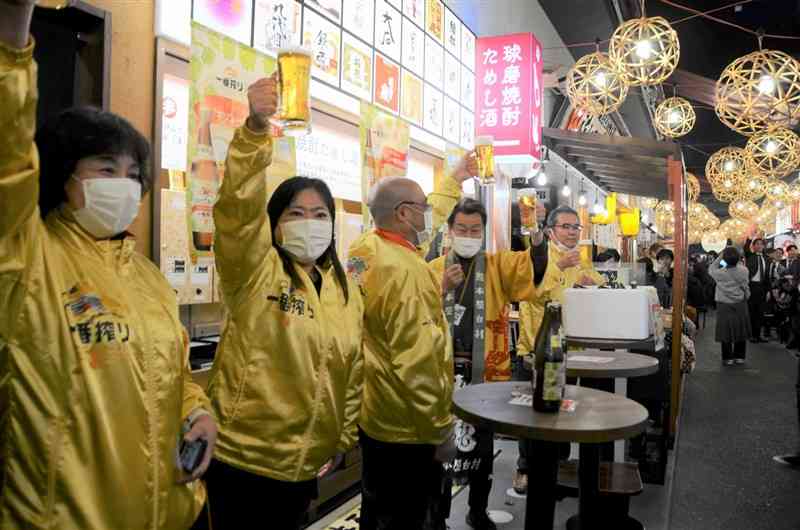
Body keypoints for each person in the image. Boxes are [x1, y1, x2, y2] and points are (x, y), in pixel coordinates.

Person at [0, 3, 217, 527]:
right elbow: (7, 158)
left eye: (133, 173)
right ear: (63, 177)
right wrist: (12, 32)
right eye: (105, 167)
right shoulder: (26, 256)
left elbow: (172, 372)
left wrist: (199, 411)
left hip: (168, 512)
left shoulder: (144, 275)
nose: (125, 183)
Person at [204, 77, 364, 529]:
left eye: (320, 215)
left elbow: (351, 371)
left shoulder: (343, 288)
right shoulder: (254, 270)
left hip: (306, 463)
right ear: (273, 225)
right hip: (242, 461)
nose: (308, 223)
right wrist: (255, 129)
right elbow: (236, 209)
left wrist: (342, 436)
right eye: (295, 213)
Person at [427, 198, 547, 529]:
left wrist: (536, 235)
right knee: (439, 447)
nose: (468, 234)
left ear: (483, 232)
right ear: (450, 231)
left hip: (485, 371)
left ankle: (477, 510)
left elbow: (533, 266)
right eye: (462, 228)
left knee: (482, 442)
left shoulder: (497, 265)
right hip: (440, 372)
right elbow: (416, 314)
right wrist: (440, 289)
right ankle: (437, 514)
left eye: (475, 229)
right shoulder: (433, 268)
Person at [348, 177, 455, 529]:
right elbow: (418, 362)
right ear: (405, 214)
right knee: (409, 515)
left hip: (374, 411)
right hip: (408, 424)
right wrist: (439, 431)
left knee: (376, 508)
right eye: (423, 209)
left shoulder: (363, 250)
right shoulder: (409, 273)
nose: (429, 216)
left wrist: (454, 178)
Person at [514, 205, 605, 492]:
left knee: (564, 411)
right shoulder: (538, 256)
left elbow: (597, 286)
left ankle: (558, 466)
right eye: (565, 226)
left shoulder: (582, 258)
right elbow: (533, 291)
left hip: (571, 349)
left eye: (575, 227)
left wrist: (593, 283)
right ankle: (525, 469)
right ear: (551, 230)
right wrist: (560, 268)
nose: (571, 231)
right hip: (536, 348)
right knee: (532, 414)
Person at [709, 247, 751, 366]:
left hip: (724, 305)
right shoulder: (744, 270)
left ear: (724, 259)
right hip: (740, 303)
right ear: (738, 258)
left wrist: (722, 255)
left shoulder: (719, 272)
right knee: (740, 328)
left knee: (725, 330)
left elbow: (711, 267)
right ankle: (740, 357)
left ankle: (728, 358)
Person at [744, 236, 769, 342]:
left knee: (760, 313)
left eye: (761, 244)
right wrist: (749, 238)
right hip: (752, 286)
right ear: (753, 246)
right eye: (757, 244)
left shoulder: (766, 258)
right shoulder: (750, 255)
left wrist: (768, 291)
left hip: (762, 287)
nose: (759, 246)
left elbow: (767, 276)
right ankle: (752, 335)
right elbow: (745, 248)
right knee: (751, 312)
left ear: (763, 246)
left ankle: (758, 335)